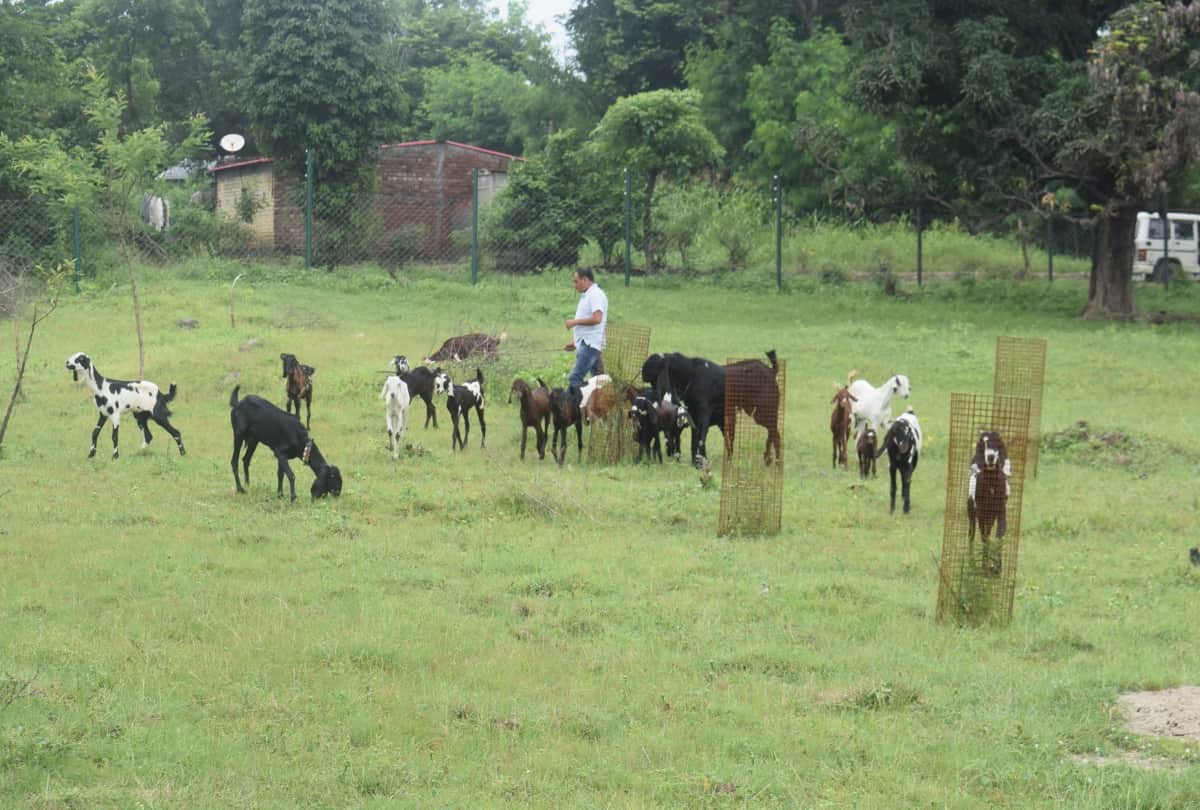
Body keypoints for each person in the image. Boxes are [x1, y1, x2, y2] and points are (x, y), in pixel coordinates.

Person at [564, 268, 608, 390]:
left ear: (585, 279)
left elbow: (597, 318)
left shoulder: (596, 295)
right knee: (600, 380)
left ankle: (576, 406)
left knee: (575, 378)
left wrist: (574, 322)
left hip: (590, 344)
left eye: (576, 281)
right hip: (589, 343)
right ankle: (604, 405)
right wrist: (575, 342)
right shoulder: (588, 295)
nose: (574, 285)